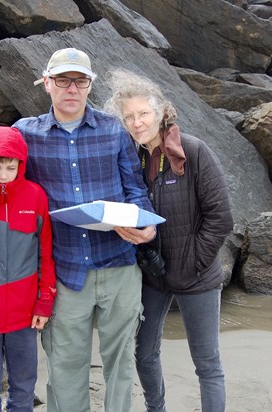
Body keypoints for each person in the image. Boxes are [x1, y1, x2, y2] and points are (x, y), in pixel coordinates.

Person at [13, 48, 156, 412]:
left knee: (120, 366)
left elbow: (136, 189)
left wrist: (145, 226)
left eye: (80, 80)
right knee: (64, 368)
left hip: (120, 264)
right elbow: (5, 186)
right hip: (64, 271)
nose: (71, 88)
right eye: (62, 80)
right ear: (47, 84)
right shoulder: (25, 134)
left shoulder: (114, 130)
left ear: (90, 85)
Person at [104, 68, 233, 412]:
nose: (136, 122)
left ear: (161, 111)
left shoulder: (193, 151)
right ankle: (155, 408)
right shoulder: (132, 157)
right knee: (144, 354)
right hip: (153, 275)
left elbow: (221, 219)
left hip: (197, 276)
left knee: (207, 363)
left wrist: (192, 263)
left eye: (143, 113)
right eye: (128, 116)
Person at [0, 126, 56, 412]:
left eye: (11, 166)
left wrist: (45, 302)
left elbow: (46, 253)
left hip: (24, 313)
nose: (4, 174)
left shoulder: (35, 196)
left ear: (22, 164)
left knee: (23, 382)